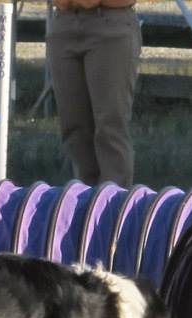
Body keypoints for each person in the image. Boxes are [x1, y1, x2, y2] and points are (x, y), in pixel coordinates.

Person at [46, 0, 141, 188]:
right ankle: (85, 203)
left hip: (110, 22)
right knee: (74, 126)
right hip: (64, 22)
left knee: (110, 126)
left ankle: (114, 204)